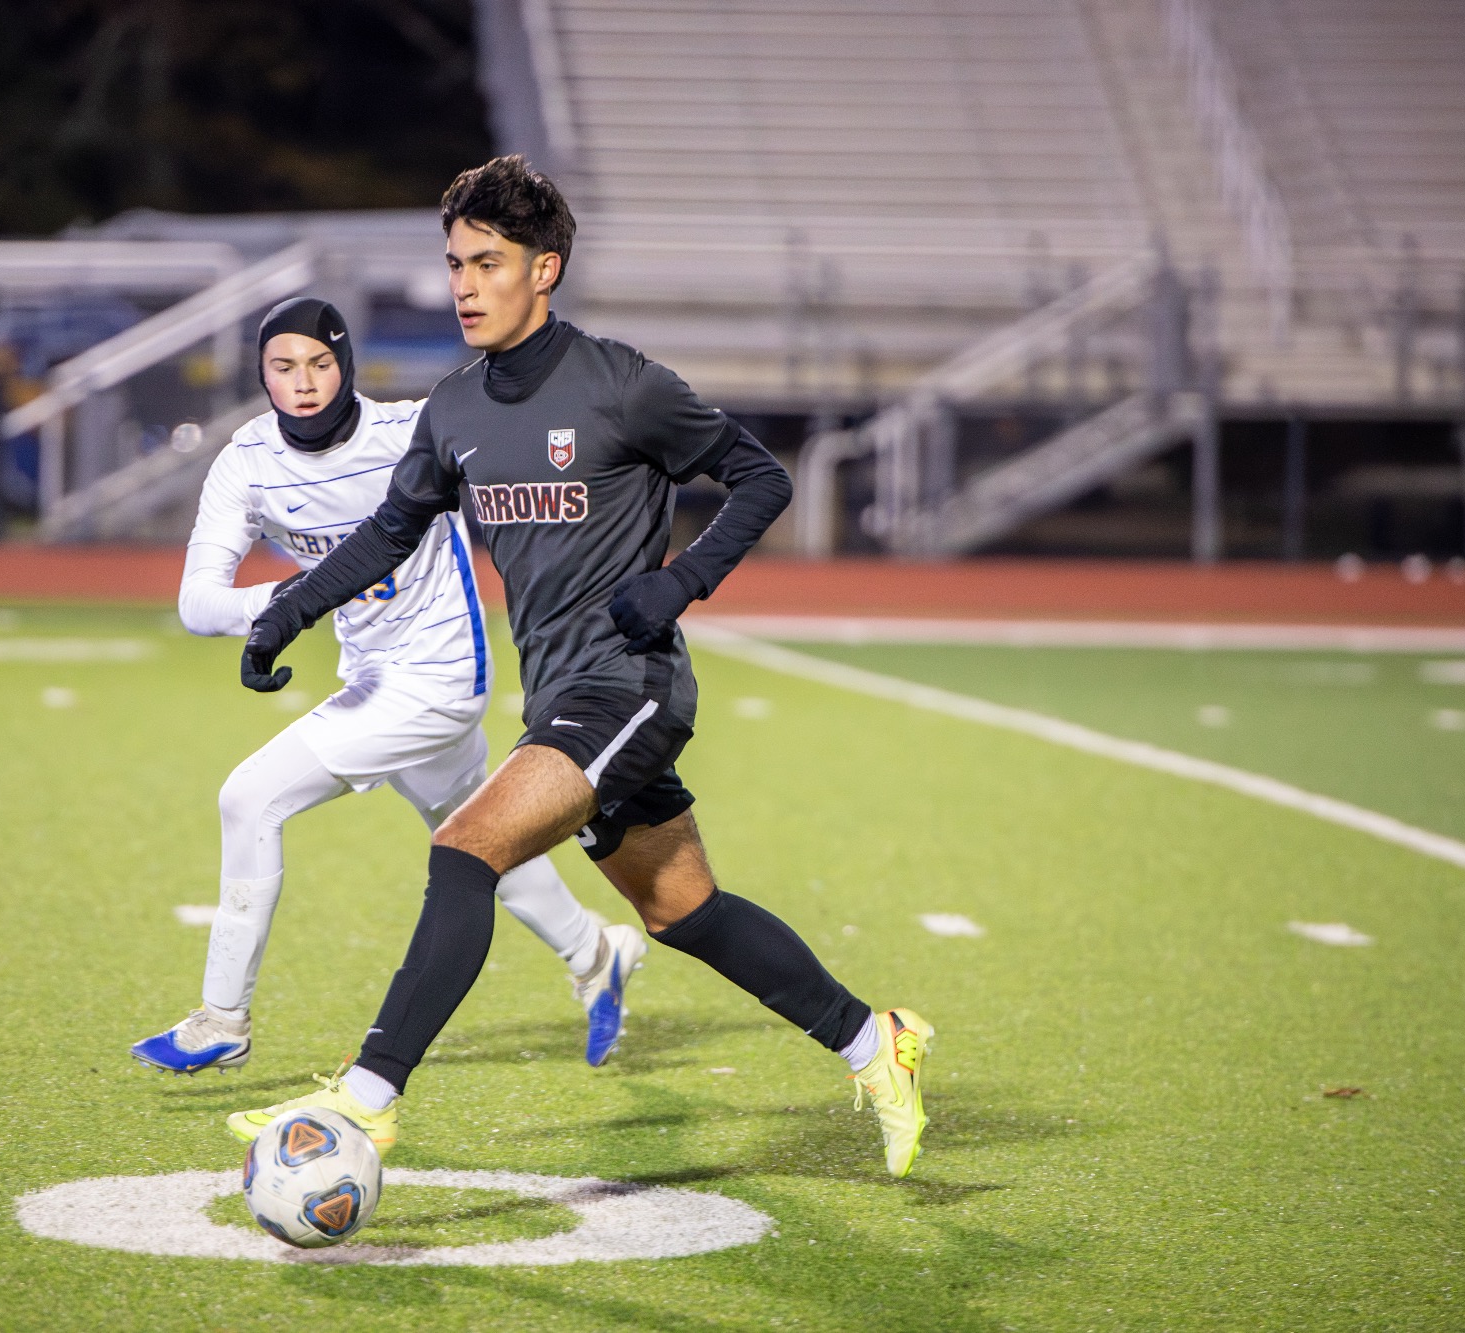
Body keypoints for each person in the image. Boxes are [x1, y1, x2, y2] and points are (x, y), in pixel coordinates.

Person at [222, 159, 934, 1176]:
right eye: (454, 263)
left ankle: (369, 1097)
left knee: (465, 849)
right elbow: (387, 533)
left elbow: (757, 476)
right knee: (680, 908)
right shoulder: (455, 409)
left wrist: (680, 581)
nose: (463, 285)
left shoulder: (619, 382)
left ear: (542, 268)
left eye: (488, 262)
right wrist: (282, 615)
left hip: (628, 686)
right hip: (560, 695)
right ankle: (879, 1043)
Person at [129, 296, 649, 1077]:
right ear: (261, 374)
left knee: (248, 797)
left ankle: (222, 1018)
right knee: (473, 832)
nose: (302, 382)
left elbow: (540, 473)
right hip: (371, 672)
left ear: (345, 365)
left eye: (318, 363)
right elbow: (198, 601)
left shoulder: (412, 430)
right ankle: (595, 952)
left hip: (440, 679)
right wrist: (278, 606)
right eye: (282, 366)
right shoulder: (247, 462)